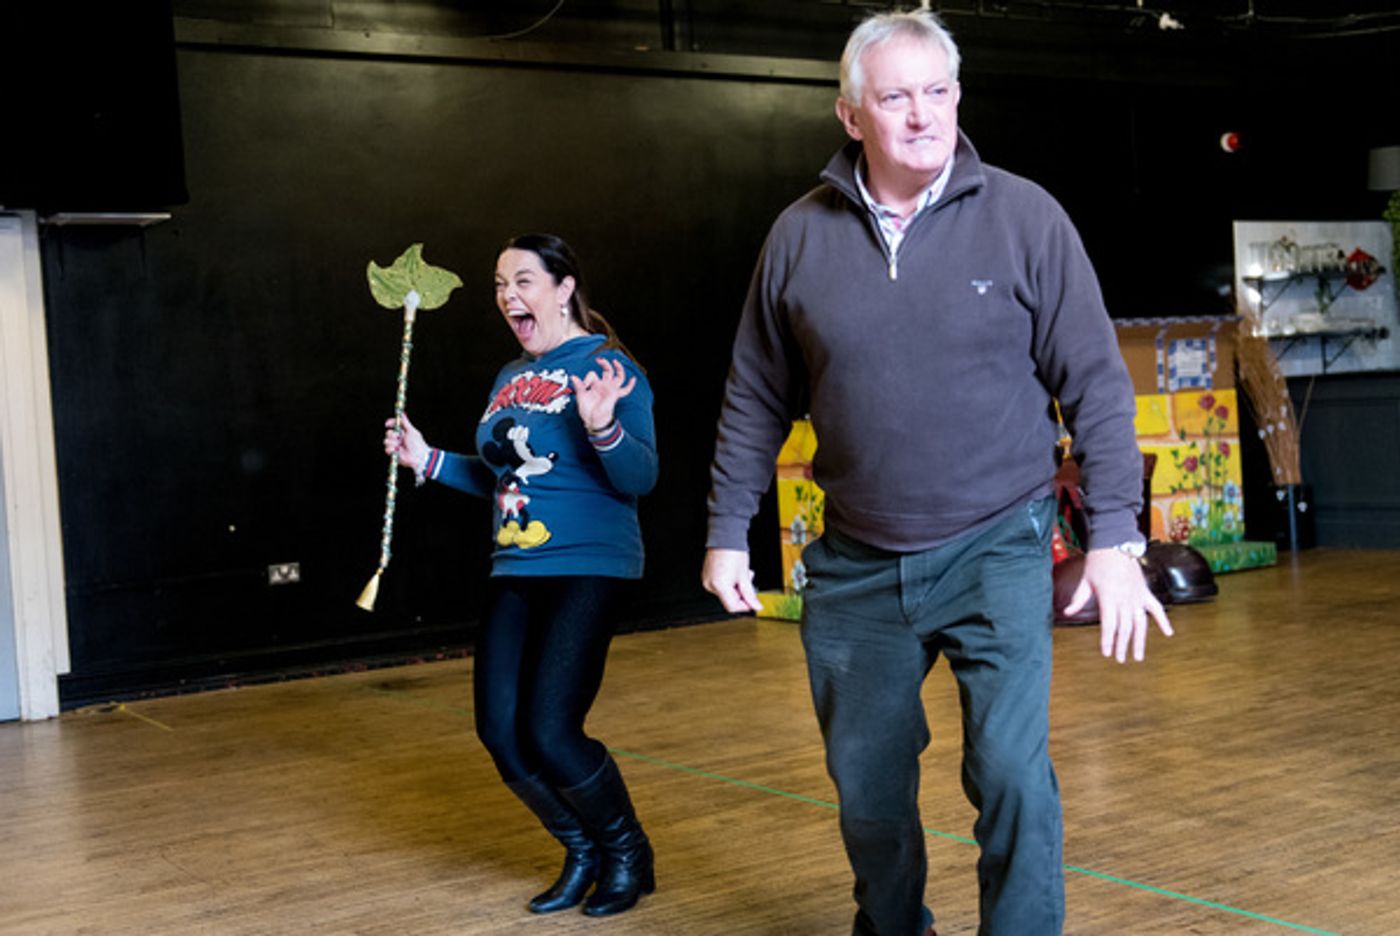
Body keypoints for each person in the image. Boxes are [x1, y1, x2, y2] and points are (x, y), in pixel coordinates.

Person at [701, 11, 1172, 936]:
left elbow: (1097, 387)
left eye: (939, 91)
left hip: (999, 541)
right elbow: (756, 392)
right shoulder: (798, 237)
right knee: (868, 794)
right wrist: (726, 530)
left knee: (1008, 773)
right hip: (857, 563)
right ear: (850, 116)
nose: (923, 116)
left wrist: (1115, 537)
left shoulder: (1026, 218)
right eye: (895, 96)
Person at [385, 233, 658, 917]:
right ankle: (582, 848)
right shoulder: (509, 378)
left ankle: (628, 854)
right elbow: (501, 474)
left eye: (524, 281)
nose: (509, 296)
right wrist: (428, 459)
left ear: (565, 289)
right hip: (516, 563)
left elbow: (640, 477)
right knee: (501, 732)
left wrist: (602, 428)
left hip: (589, 565)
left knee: (551, 731)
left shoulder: (607, 365)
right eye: (500, 285)